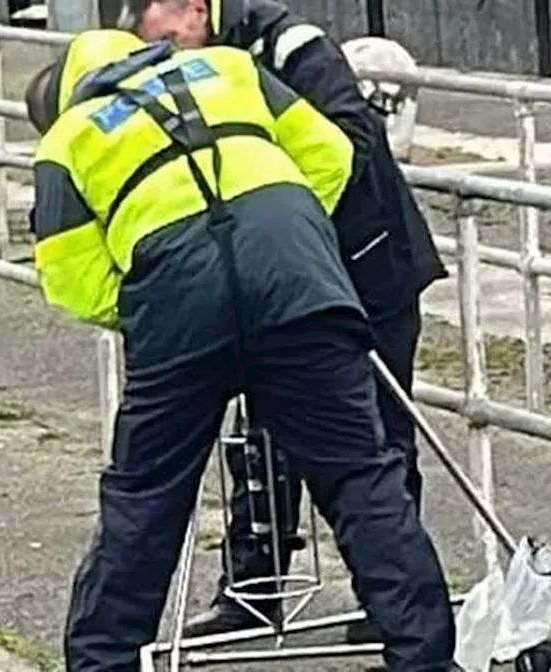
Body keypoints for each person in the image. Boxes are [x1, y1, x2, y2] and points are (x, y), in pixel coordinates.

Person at [24, 28, 456, 672]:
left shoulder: (67, 140)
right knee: (361, 476)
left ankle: (101, 662)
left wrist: (152, 303)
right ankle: (423, 657)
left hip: (176, 311)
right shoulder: (231, 69)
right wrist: (298, 244)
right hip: (300, 290)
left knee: (144, 497)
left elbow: (71, 278)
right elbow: (333, 156)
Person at [124, 0, 449, 643]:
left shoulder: (290, 47)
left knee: (378, 443)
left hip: (365, 263)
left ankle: (390, 606)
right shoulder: (206, 64)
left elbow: (353, 142)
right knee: (259, 438)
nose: (169, 59)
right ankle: (253, 589)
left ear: (196, 9)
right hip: (272, 283)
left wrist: (273, 209)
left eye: (169, 40)